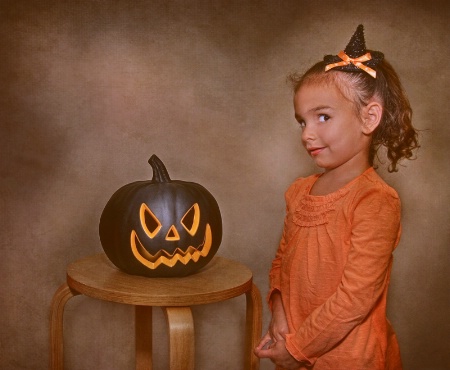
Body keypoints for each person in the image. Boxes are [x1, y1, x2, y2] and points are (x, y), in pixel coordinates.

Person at [254, 25, 419, 370]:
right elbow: (281, 264)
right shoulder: (299, 191)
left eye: (323, 117)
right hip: (297, 347)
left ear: (369, 117)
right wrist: (280, 319)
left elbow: (354, 298)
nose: (307, 134)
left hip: (350, 359)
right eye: (302, 122)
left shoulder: (375, 200)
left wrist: (297, 347)